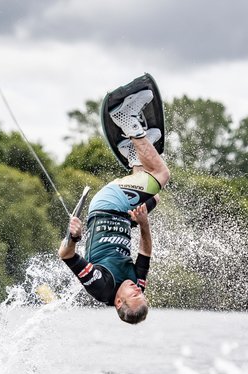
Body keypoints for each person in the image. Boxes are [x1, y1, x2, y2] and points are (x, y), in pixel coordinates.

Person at [58, 89, 171, 324]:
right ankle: (133, 154)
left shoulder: (102, 287)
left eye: (135, 295)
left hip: (107, 206)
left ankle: (127, 119)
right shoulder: (137, 283)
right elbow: (145, 252)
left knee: (161, 174)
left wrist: (74, 237)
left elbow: (66, 254)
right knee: (154, 198)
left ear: (119, 302)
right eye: (141, 294)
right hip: (124, 216)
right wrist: (143, 224)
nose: (138, 290)